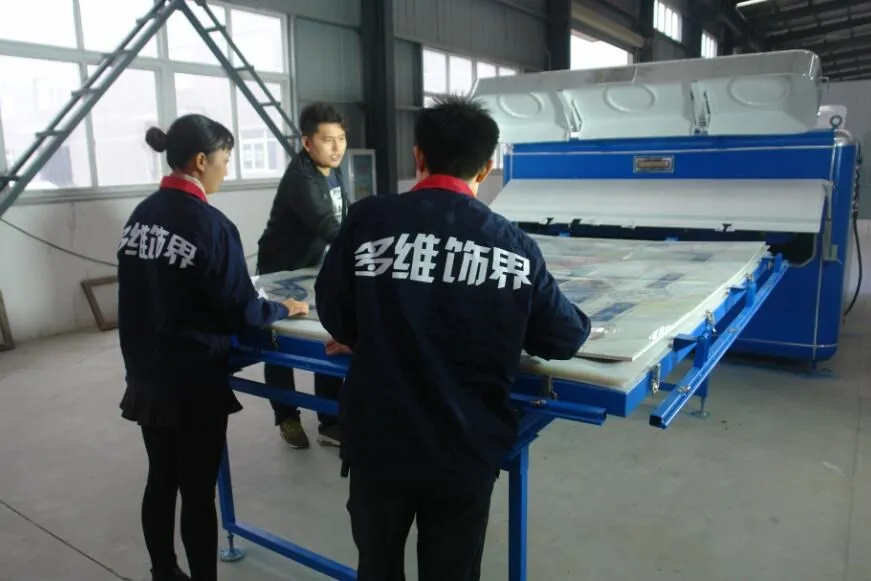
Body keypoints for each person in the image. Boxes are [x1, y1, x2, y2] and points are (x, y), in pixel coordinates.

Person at [314, 95, 592, 581]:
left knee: (376, 565)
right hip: (463, 448)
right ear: (486, 168)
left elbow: (334, 310)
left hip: (379, 441)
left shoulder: (370, 220)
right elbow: (564, 337)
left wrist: (371, 332)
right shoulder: (512, 246)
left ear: (418, 156)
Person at [117, 114, 309, 581]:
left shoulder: (140, 217)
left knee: (161, 478)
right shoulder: (211, 225)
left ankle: (164, 571)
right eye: (225, 159)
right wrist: (282, 308)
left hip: (146, 373)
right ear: (201, 161)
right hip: (192, 378)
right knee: (197, 491)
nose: (226, 168)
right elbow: (240, 310)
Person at [256, 102, 350, 449]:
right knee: (278, 342)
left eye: (341, 138)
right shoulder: (302, 179)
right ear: (307, 142)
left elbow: (345, 216)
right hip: (281, 271)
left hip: (313, 268)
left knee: (327, 336)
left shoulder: (332, 170)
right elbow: (330, 227)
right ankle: (287, 416)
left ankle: (330, 421)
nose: (337, 147)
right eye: (327, 140)